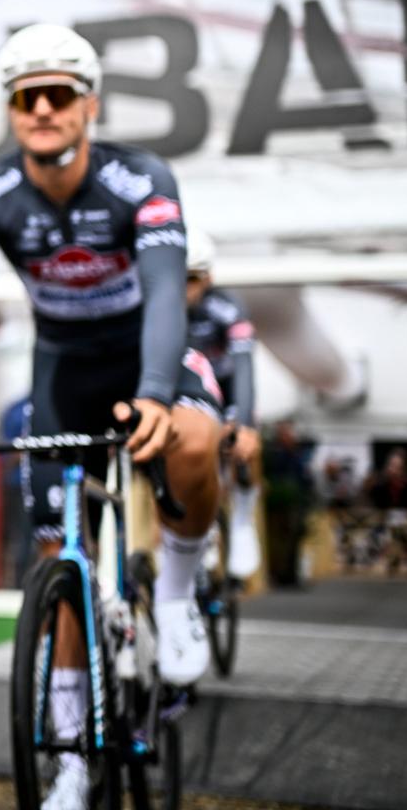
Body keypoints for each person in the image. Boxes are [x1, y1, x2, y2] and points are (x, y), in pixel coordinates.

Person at [0, 24, 224, 810]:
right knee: (60, 557)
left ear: (90, 106)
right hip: (63, 369)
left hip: (143, 355)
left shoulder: (141, 178)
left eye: (60, 94)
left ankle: (181, 593)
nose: (43, 108)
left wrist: (156, 392)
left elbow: (164, 296)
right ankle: (74, 762)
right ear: (12, 110)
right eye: (27, 96)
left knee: (195, 438)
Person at [184, 228, 262, 579]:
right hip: (192, 388)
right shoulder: (162, 305)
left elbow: (244, 366)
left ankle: (243, 519)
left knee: (244, 444)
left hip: (227, 387)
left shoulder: (227, 307)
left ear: (209, 277)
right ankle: (205, 527)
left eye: (193, 279)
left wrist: (244, 423)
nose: (185, 288)